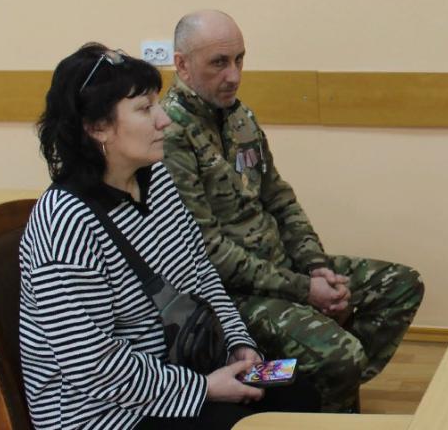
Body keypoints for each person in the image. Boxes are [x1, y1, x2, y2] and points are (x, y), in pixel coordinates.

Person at [21, 44, 319, 430]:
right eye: (145, 109)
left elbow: (202, 272)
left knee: (301, 394)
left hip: (182, 368)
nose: (164, 120)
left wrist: (238, 344)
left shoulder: (157, 179)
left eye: (157, 104)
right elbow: (91, 365)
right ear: (96, 127)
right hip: (105, 412)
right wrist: (203, 389)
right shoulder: (64, 223)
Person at [161, 10, 425, 412]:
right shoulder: (170, 134)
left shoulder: (239, 117)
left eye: (240, 59)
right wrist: (305, 290)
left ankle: (313, 393)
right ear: (182, 64)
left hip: (283, 270)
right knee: (341, 355)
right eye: (219, 63)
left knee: (399, 285)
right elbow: (208, 251)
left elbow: (280, 199)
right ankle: (309, 392)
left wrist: (316, 267)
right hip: (231, 295)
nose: (234, 75)